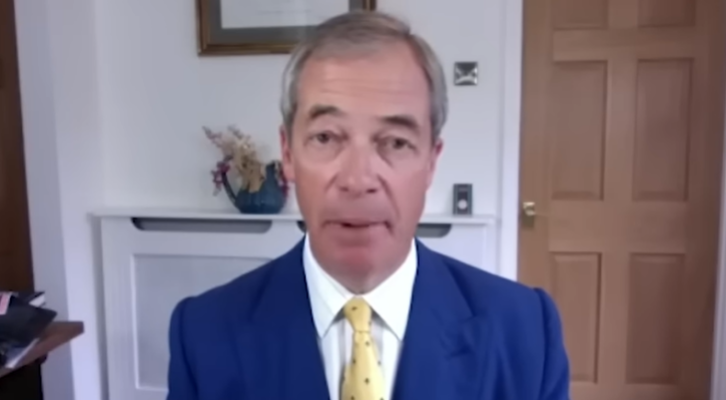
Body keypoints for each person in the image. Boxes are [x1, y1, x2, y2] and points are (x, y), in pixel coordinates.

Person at [166, 10, 570, 400]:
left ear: (431, 161)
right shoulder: (205, 334)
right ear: (287, 154)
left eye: (395, 142)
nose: (358, 180)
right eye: (326, 137)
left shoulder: (525, 333)